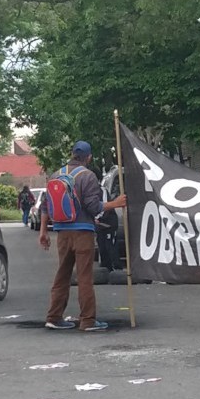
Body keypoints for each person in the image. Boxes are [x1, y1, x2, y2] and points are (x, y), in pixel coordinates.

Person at [39, 141, 127, 332]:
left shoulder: (57, 174)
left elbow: (46, 206)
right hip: (82, 233)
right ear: (89, 157)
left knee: (62, 275)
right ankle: (87, 320)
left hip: (62, 232)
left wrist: (43, 231)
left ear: (72, 154)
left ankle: (54, 317)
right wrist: (115, 203)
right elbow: (94, 207)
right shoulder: (88, 176)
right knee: (84, 276)